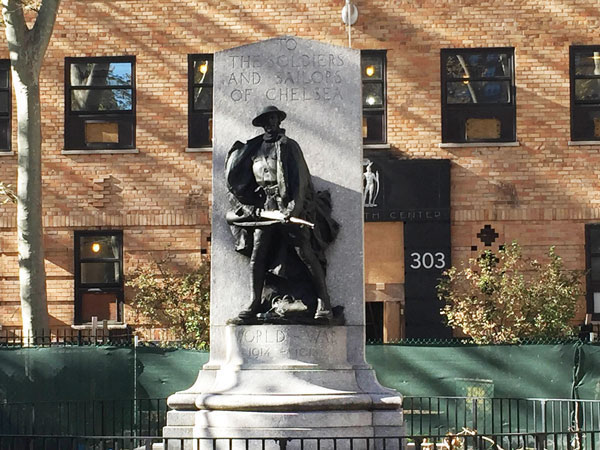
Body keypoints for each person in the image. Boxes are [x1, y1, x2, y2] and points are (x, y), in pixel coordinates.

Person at [225, 105, 339, 321]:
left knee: (305, 253)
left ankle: (324, 302)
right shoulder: (254, 149)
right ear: (262, 124)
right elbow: (247, 182)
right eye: (266, 120)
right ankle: (254, 301)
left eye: (273, 119)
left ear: (279, 121)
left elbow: (301, 181)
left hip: (287, 205)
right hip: (266, 208)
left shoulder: (289, 147)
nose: (270, 123)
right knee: (258, 257)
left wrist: (292, 210)